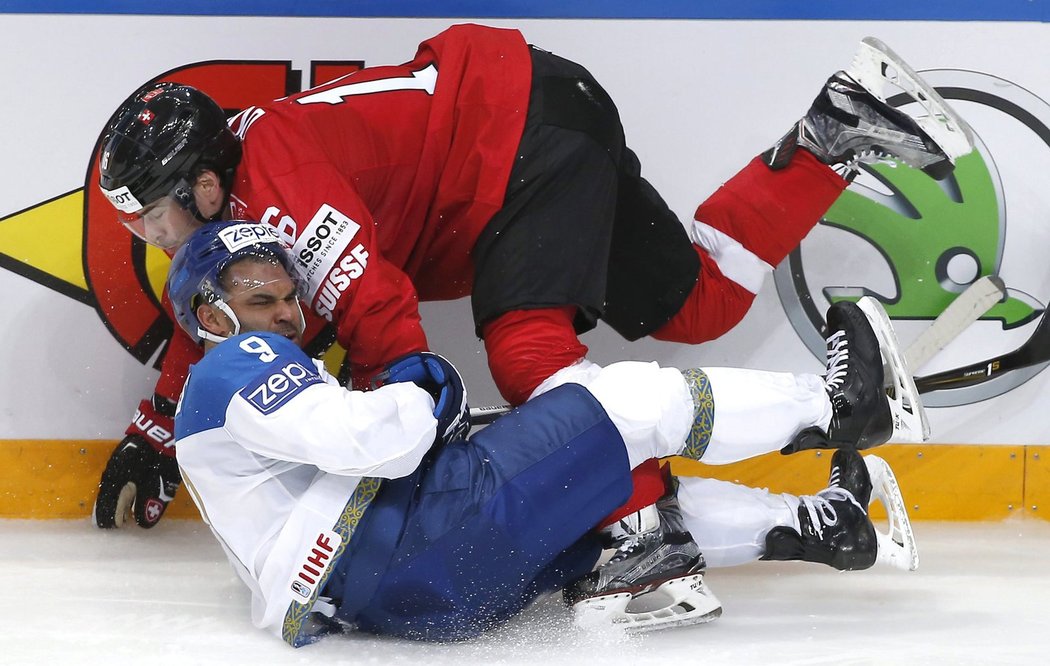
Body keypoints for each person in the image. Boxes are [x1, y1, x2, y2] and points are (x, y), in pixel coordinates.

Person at [96, 26, 950, 596]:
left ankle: (644, 535)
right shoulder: (243, 197)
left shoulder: (272, 180)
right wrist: (158, 428)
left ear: (205, 184)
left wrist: (390, 418)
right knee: (700, 301)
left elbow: (379, 310)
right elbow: (215, 320)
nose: (153, 235)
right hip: (532, 112)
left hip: (509, 136)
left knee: (529, 354)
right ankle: (838, 131)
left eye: (157, 215)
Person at [169, 222, 916, 644]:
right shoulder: (236, 360)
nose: (286, 316)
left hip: (405, 600)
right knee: (623, 402)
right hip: (412, 537)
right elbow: (372, 441)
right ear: (210, 317)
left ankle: (824, 526)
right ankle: (840, 403)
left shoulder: (226, 407)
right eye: (262, 298)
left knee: (617, 516)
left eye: (289, 300)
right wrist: (420, 393)